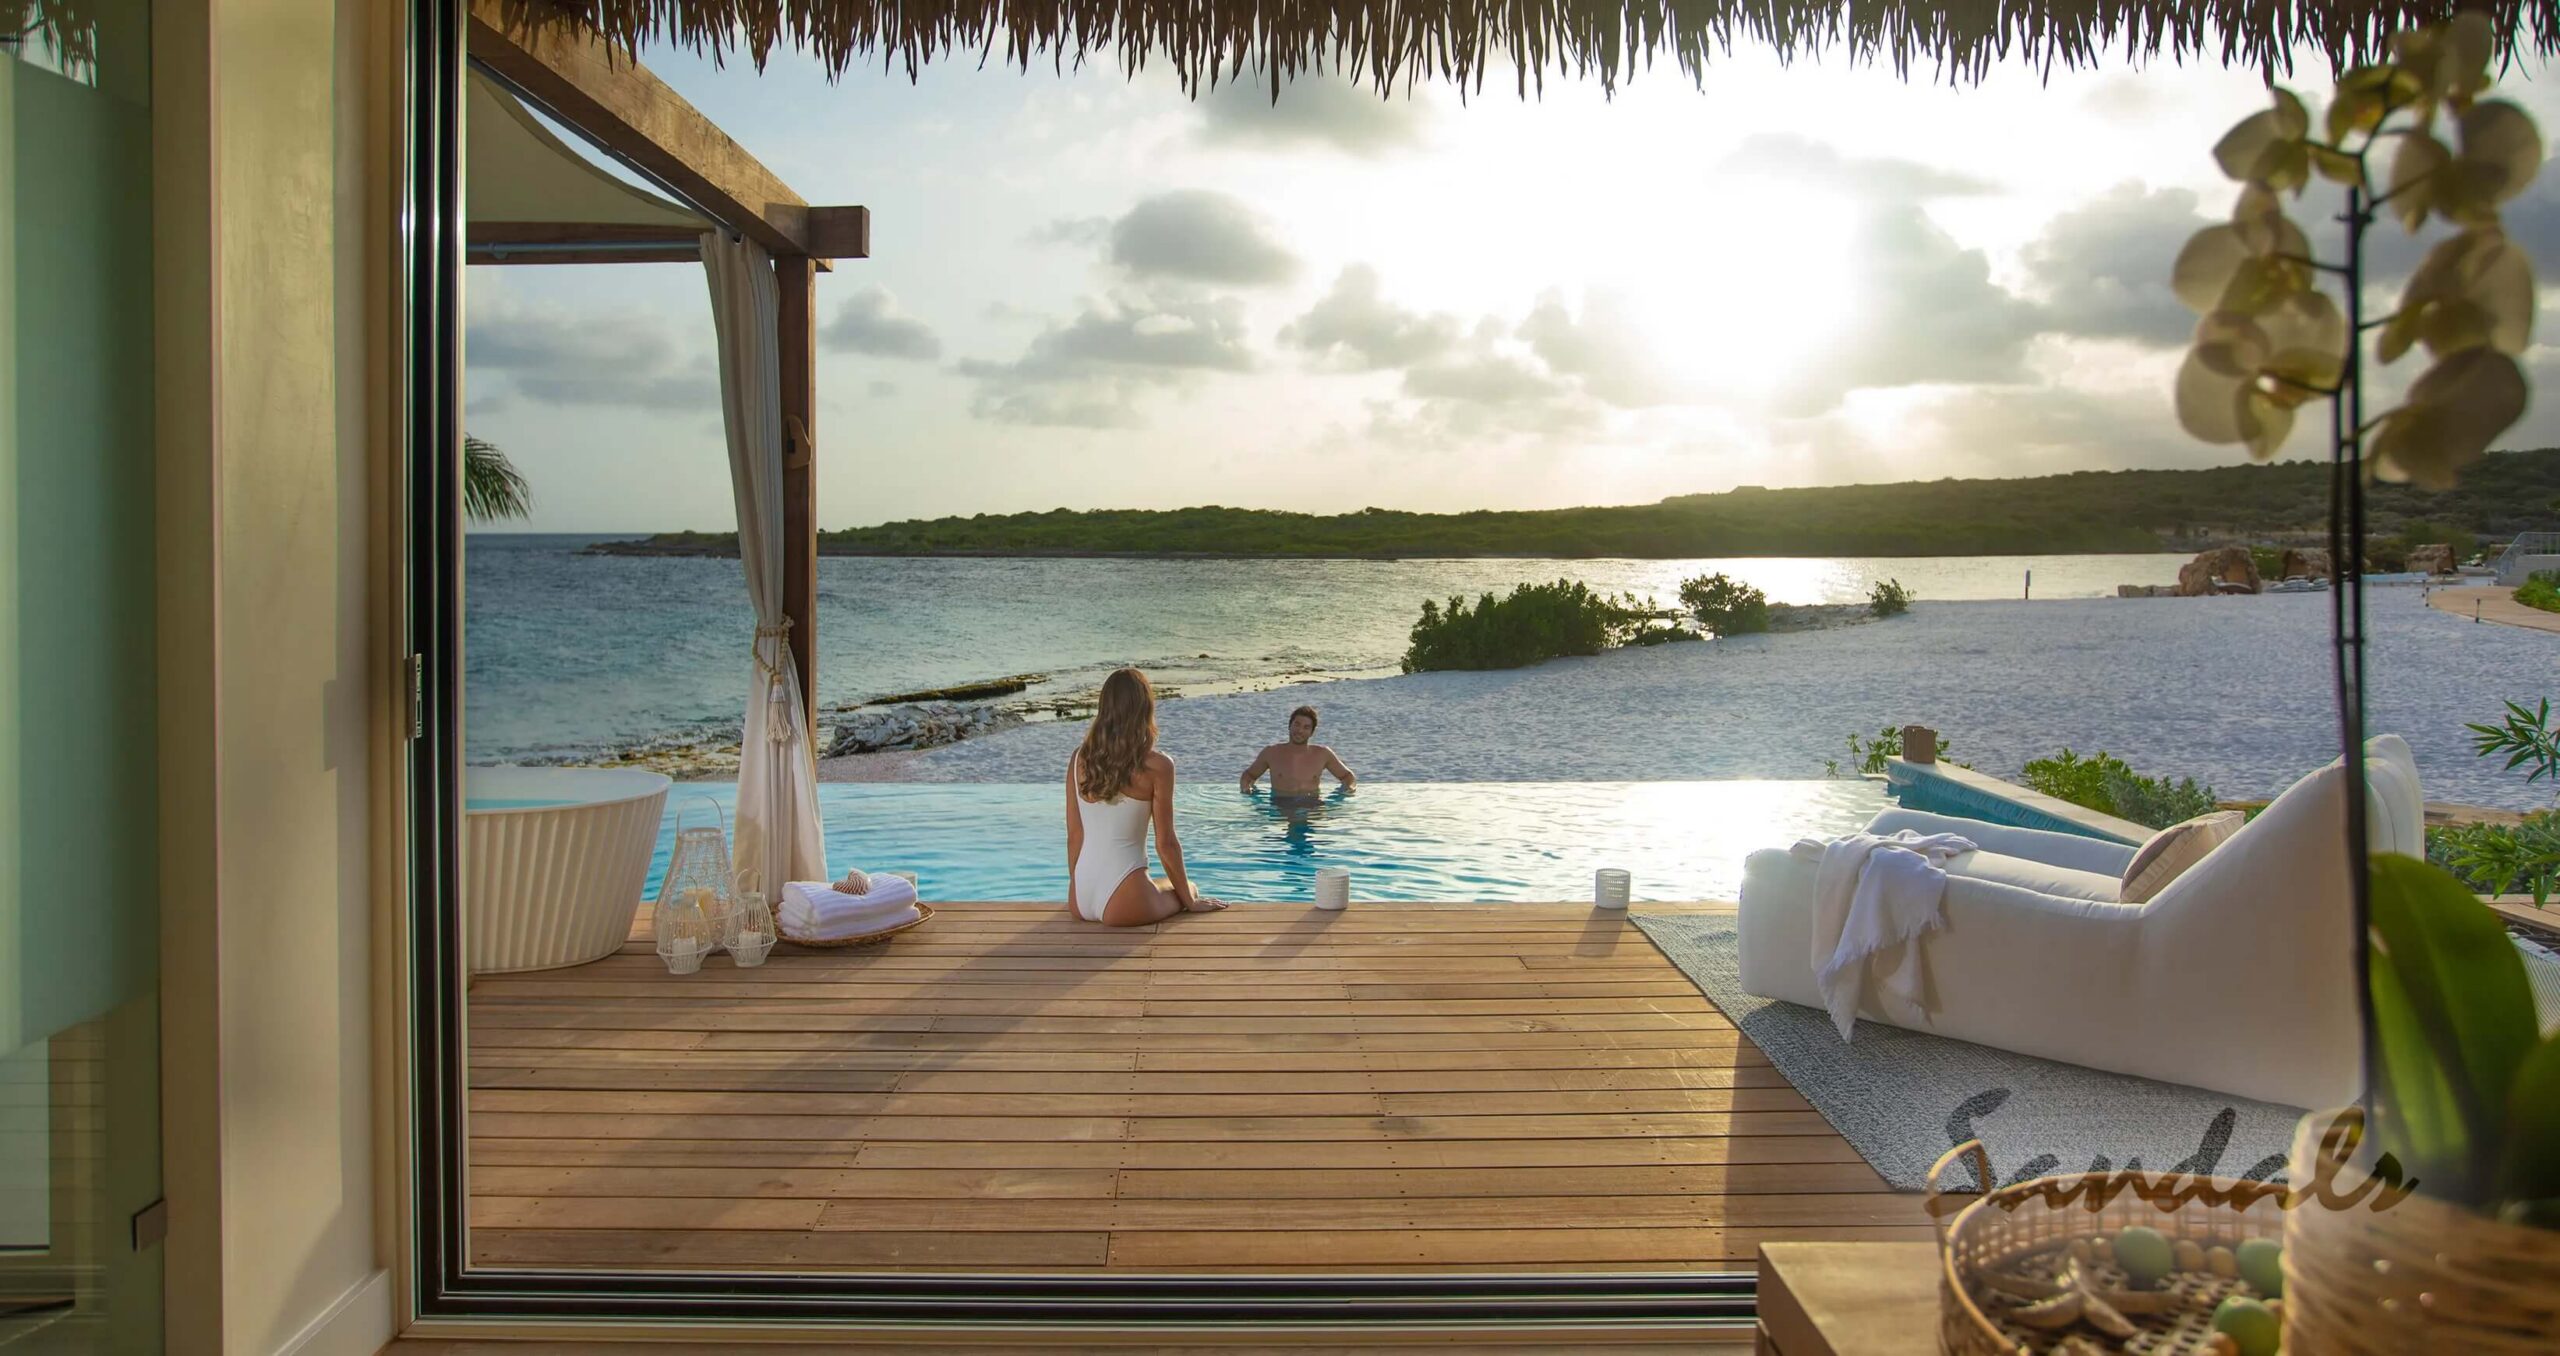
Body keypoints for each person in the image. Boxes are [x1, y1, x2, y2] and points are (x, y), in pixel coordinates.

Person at [1065, 667, 1224, 926]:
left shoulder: (1078, 759)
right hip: (1125, 897)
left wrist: (1079, 886)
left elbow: (1074, 835)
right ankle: (1191, 894)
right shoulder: (1158, 766)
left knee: (1162, 885)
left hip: (1080, 898)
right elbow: (1166, 844)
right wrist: (1191, 901)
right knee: (1190, 888)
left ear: (1104, 706)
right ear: (1145, 708)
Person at [1240, 704, 1358, 797]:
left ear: (1312, 732)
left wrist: (1348, 790)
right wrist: (1247, 790)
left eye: (1306, 727)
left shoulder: (1323, 754)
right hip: (1280, 807)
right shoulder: (1271, 753)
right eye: (1297, 724)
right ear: (1289, 725)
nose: (1300, 730)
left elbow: (1347, 776)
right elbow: (1249, 775)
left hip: (1312, 807)